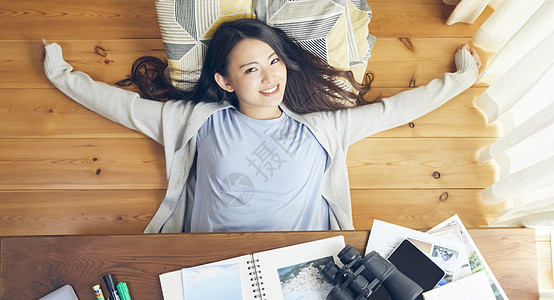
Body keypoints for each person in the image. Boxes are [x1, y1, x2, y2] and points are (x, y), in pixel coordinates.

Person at [41, 19, 481, 233]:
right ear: (225, 81)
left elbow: (395, 110)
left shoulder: (323, 128)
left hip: (296, 266)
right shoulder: (196, 121)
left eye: (273, 62)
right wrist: (60, 73)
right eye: (251, 70)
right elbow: (119, 105)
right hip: (211, 261)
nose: (270, 77)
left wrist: (461, 79)